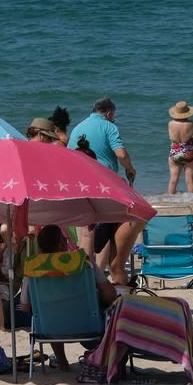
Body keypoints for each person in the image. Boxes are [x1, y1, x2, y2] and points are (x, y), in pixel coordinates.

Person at [25, 225, 118, 370]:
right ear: (62, 244)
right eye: (65, 240)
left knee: (50, 310)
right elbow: (111, 296)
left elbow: (25, 306)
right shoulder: (84, 262)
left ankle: (62, 362)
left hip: (49, 329)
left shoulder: (32, 268)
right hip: (88, 325)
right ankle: (98, 356)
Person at [68, 99, 140, 284]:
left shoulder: (78, 127)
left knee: (87, 230)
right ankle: (99, 273)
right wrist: (130, 169)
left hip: (81, 184)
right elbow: (121, 154)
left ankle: (87, 270)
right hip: (104, 184)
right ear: (108, 113)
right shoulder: (108, 127)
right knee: (106, 228)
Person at [166, 100, 193, 194]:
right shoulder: (191, 124)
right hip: (189, 152)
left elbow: (171, 137)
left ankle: (170, 198)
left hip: (175, 151)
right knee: (190, 180)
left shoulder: (171, 123)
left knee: (173, 179)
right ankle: (192, 200)